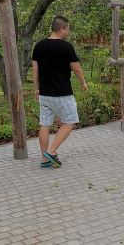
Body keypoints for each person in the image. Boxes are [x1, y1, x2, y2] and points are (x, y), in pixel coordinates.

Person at [32, 16, 88, 168]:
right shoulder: (66, 47)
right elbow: (76, 67)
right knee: (70, 122)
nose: (68, 31)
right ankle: (50, 152)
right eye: (67, 28)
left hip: (44, 93)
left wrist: (36, 88)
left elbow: (35, 69)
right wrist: (83, 82)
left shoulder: (39, 46)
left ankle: (44, 160)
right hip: (62, 93)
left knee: (44, 124)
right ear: (62, 28)